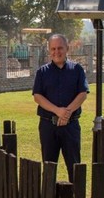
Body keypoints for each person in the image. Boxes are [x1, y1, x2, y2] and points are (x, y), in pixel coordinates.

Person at [32, 34, 89, 177]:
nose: (56, 52)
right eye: (53, 49)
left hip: (71, 126)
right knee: (49, 167)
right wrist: (58, 111)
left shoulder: (77, 70)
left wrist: (66, 113)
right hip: (48, 127)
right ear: (48, 50)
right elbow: (37, 97)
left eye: (60, 48)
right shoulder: (42, 72)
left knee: (75, 167)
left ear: (67, 49)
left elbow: (83, 93)